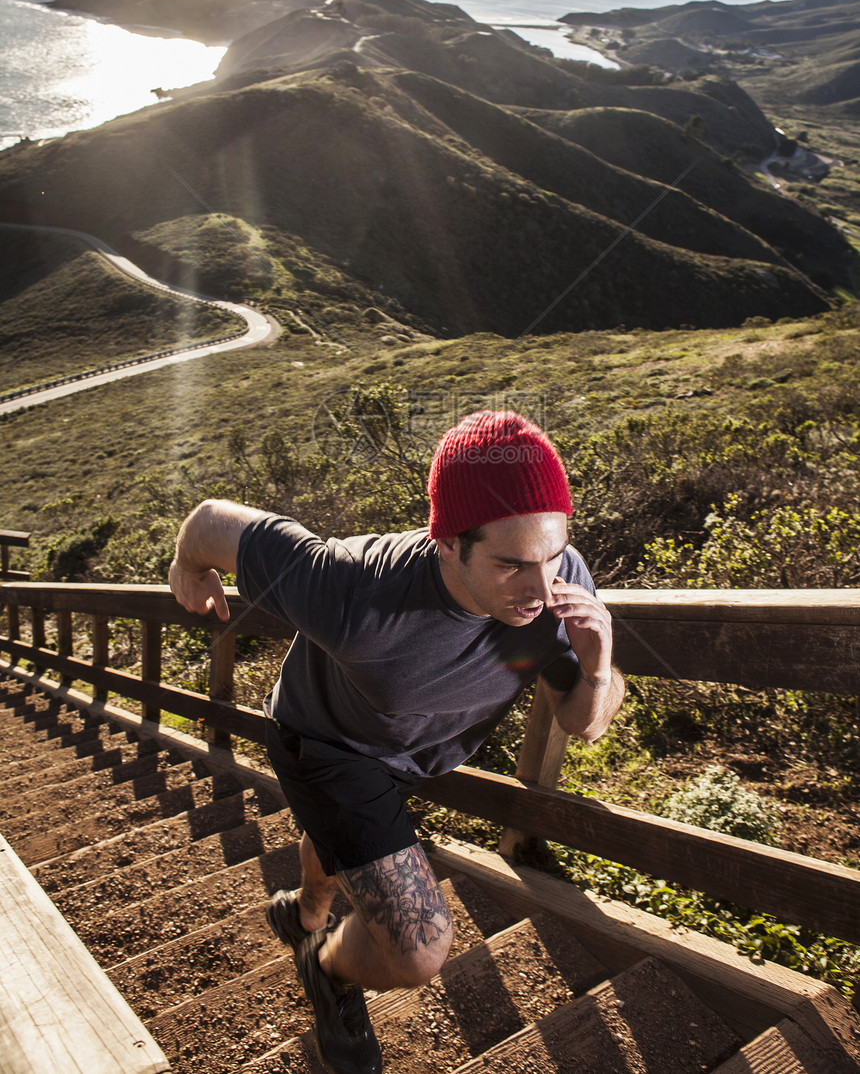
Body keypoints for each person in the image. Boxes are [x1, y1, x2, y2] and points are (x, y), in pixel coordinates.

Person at [168, 410, 624, 1074]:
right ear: (446, 543)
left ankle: (306, 910)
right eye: (512, 565)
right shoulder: (354, 589)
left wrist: (598, 666)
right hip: (321, 742)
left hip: (410, 754)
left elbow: (586, 722)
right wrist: (188, 563)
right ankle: (326, 970)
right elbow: (212, 521)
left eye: (554, 555)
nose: (542, 588)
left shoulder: (561, 581)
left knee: (344, 848)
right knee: (417, 949)